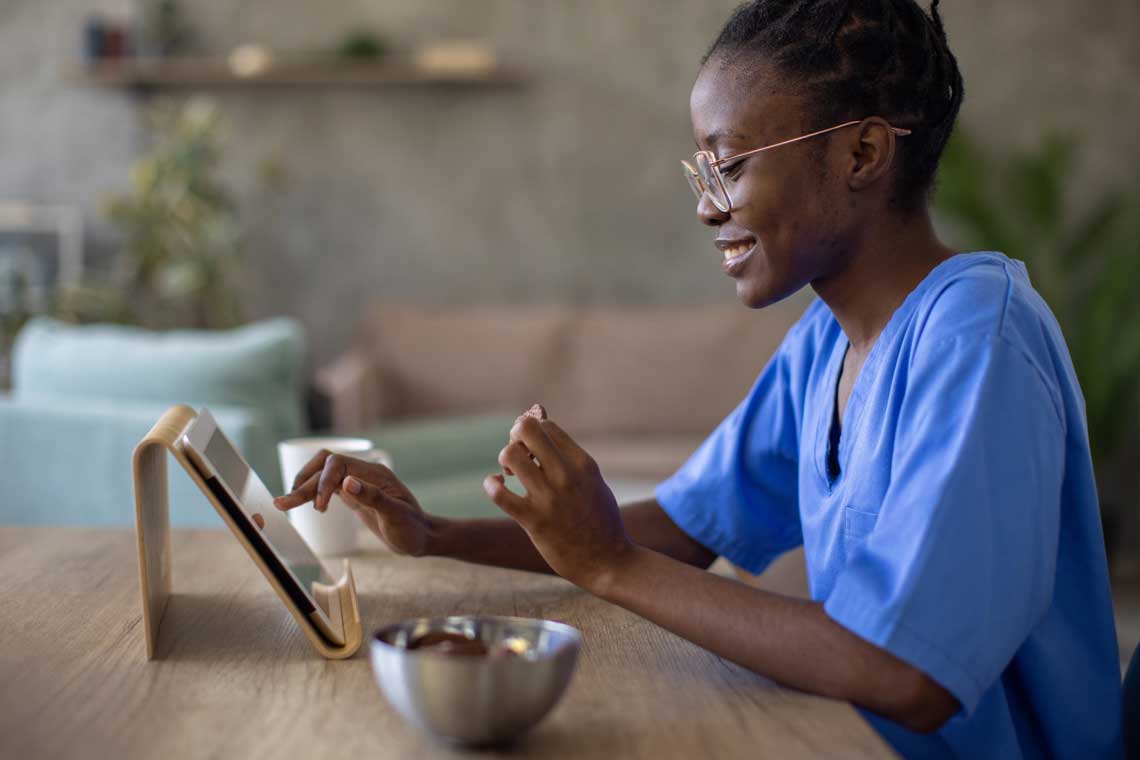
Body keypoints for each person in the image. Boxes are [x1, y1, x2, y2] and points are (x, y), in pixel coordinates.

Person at [275, 1, 1123, 756]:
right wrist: (437, 535)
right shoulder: (824, 343)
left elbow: (909, 674)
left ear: (863, 151)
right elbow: (683, 528)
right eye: (702, 171)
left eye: (730, 164)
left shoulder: (978, 336)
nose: (706, 205)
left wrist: (609, 567)